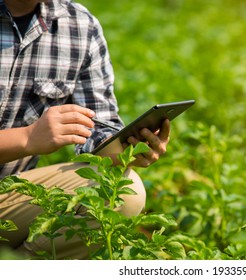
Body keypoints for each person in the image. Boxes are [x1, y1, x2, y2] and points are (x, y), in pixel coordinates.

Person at [0, 0, 170, 259]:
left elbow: (99, 125)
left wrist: (124, 150)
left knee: (121, 191)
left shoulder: (78, 25)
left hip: (8, 196)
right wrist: (27, 138)